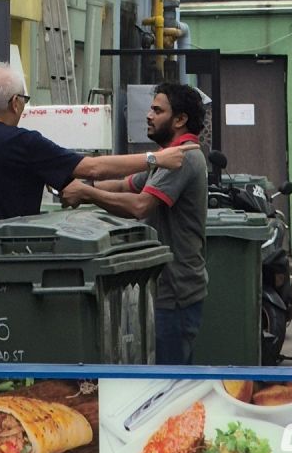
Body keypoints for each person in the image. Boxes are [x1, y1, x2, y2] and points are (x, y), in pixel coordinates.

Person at [0, 62, 196, 227]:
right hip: (11, 261)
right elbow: (92, 168)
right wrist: (155, 158)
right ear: (15, 103)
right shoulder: (25, 144)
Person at [60, 82, 209, 364]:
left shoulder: (183, 159)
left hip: (175, 294)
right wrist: (79, 182)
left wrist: (86, 193)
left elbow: (140, 206)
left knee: (167, 386)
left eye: (157, 110)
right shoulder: (167, 157)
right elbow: (124, 186)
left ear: (180, 119)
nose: (148, 115)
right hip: (167, 292)